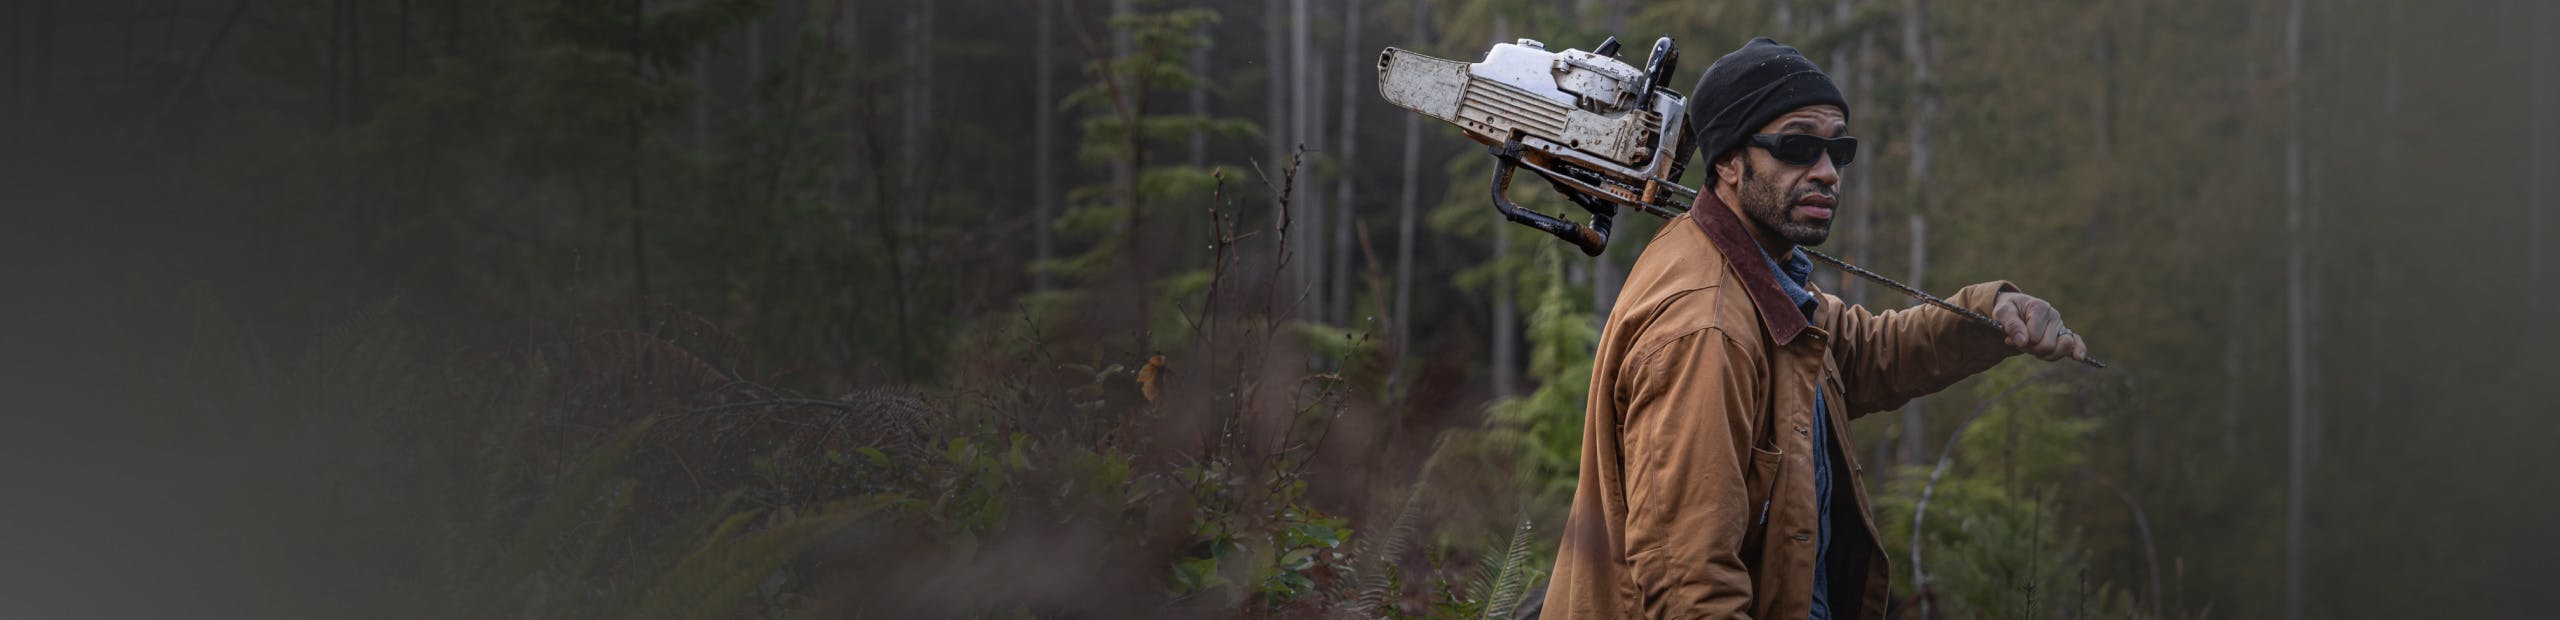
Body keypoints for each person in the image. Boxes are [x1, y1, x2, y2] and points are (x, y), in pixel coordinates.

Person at [1536, 38, 2088, 619]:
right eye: (1798, 147)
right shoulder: (1706, 328)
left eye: (1838, 150)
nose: (1827, 172)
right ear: (1727, 160)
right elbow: (1688, 589)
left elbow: (1862, 354)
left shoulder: (1757, 275)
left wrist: (1989, 316)